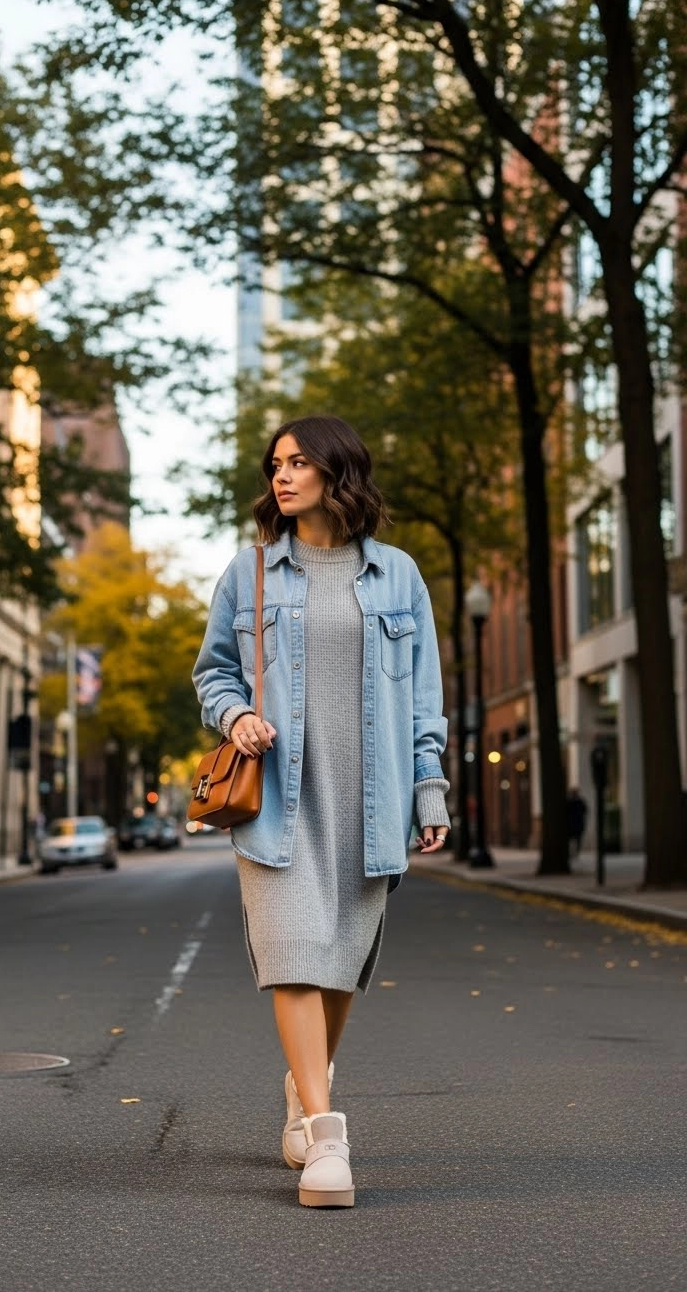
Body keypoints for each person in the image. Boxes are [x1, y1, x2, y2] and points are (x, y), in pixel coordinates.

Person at [192, 414, 450, 1208]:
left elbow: (425, 700)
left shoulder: (398, 576)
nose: (283, 475)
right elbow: (215, 673)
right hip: (278, 800)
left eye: (300, 461)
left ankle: (305, 1091)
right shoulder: (251, 571)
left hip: (369, 805)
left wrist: (427, 785)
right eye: (276, 464)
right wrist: (236, 716)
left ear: (339, 471)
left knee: (338, 962)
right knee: (298, 952)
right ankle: (327, 1140)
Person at [567, 786, 588, 859]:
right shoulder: (580, 802)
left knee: (573, 839)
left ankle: (573, 852)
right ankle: (575, 852)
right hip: (577, 824)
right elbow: (585, 811)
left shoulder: (570, 802)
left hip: (572, 824)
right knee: (577, 839)